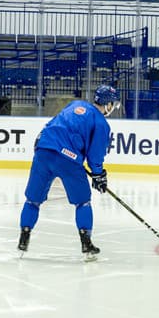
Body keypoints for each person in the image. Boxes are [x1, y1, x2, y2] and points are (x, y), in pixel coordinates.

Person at [17, 84, 120, 259]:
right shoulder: (101, 123)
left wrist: (42, 143)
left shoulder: (75, 104)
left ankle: (23, 239)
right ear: (108, 104)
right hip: (68, 160)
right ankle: (86, 244)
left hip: (44, 150)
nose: (113, 107)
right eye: (113, 104)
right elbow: (96, 155)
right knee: (83, 202)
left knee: (33, 200)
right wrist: (98, 174)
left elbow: (51, 124)